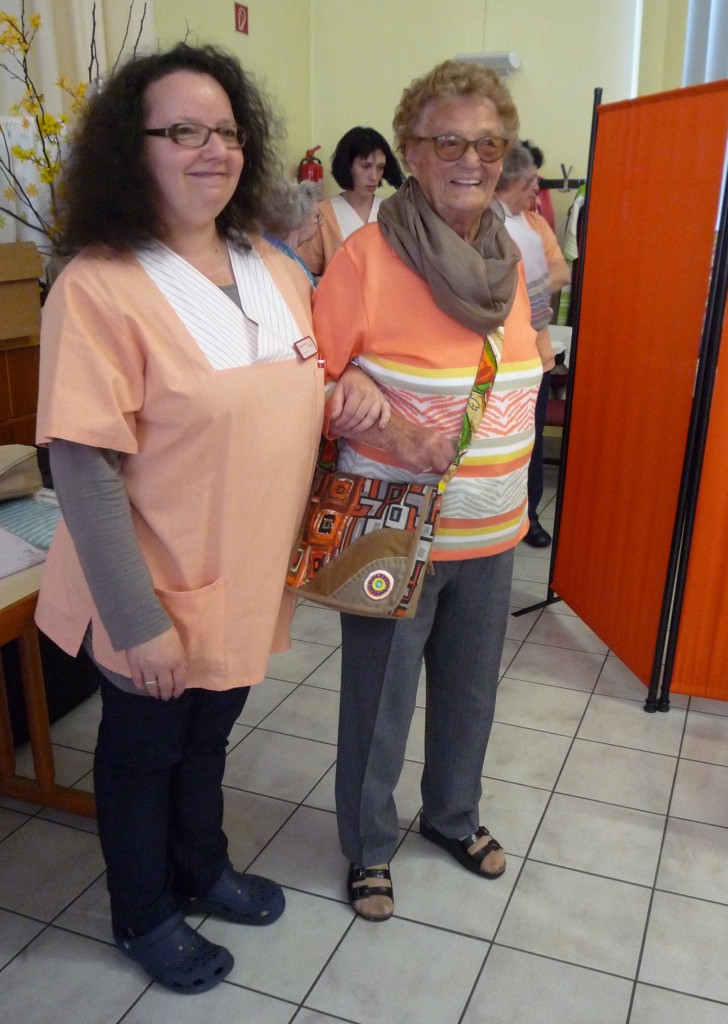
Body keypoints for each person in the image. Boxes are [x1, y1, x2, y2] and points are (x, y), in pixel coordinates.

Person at [34, 42, 387, 993]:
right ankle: (144, 910)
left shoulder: (272, 266)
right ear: (132, 148)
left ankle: (202, 866)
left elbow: (292, 382)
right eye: (183, 131)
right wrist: (136, 619)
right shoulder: (98, 286)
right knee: (144, 753)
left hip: (243, 572)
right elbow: (83, 465)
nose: (212, 150)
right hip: (148, 583)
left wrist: (344, 390)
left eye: (225, 131)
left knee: (208, 737)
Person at [312, 59, 541, 922]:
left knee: (471, 694)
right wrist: (358, 402)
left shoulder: (506, 261)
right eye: (448, 142)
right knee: (379, 702)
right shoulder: (367, 258)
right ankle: (369, 843)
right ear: (410, 150)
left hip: (494, 524)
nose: (470, 159)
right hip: (392, 523)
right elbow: (309, 380)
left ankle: (451, 815)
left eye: (488, 143)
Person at [495, 141, 570, 547]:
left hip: (533, 358)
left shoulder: (535, 226)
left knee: (531, 442)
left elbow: (560, 274)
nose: (536, 191)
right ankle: (495, 517)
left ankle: (530, 516)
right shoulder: (481, 222)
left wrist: (516, 288)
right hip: (489, 360)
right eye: (531, 182)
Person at [298, 126, 404, 275]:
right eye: (365, 166)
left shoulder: (393, 212)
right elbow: (305, 274)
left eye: (380, 167)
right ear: (347, 166)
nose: (374, 176)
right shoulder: (321, 214)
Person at [263, 177, 322, 286]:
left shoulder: (286, 250)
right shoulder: (279, 256)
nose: (320, 223)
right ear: (301, 217)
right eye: (316, 216)